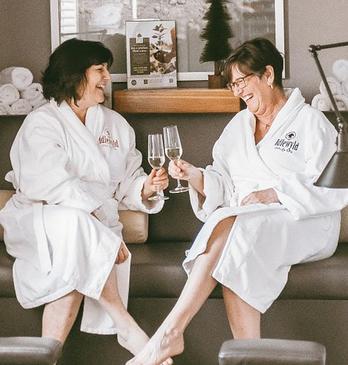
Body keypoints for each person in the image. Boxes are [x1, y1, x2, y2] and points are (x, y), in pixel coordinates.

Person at [126, 37, 348, 365]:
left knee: (237, 227)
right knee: (239, 238)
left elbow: (334, 189)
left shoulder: (311, 124)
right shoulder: (238, 127)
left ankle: (171, 334)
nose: (238, 91)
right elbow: (223, 182)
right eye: (233, 85)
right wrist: (195, 177)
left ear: (268, 75)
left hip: (305, 223)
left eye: (242, 81)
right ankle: (240, 354)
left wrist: (274, 194)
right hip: (249, 222)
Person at [0, 38, 172, 362]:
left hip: (86, 227)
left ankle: (44, 358)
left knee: (74, 256)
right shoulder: (42, 124)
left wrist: (146, 188)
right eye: (100, 70)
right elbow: (50, 184)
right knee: (77, 224)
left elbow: (126, 182)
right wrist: (97, 225)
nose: (107, 77)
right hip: (39, 219)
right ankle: (124, 322)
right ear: (74, 75)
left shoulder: (115, 125)